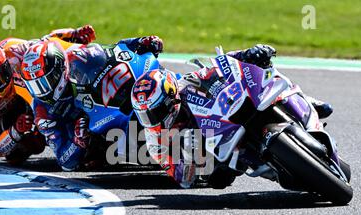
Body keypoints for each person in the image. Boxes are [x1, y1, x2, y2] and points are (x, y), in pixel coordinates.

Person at [130, 44, 333, 188]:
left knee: (267, 75)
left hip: (231, 117)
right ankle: (285, 167)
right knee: (237, 171)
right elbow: (182, 177)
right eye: (145, 115)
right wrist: (203, 168)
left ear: (170, 97)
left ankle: (305, 99)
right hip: (225, 158)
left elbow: (221, 65)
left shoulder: (187, 85)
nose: (152, 120)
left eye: (154, 112)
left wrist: (247, 54)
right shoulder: (156, 140)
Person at [20, 35, 163, 171]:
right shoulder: (42, 113)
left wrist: (141, 41)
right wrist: (78, 141)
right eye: (34, 86)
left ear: (59, 69)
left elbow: (115, 49)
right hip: (93, 135)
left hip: (106, 102)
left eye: (44, 82)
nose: (42, 91)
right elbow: (64, 161)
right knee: (99, 152)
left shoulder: (77, 57)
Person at [0, 25, 96, 164]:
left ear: (5, 60)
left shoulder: (13, 51)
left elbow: (45, 44)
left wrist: (73, 35)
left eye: (2, 72)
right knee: (15, 155)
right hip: (18, 119)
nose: (0, 83)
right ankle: (69, 142)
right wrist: (15, 130)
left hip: (35, 93)